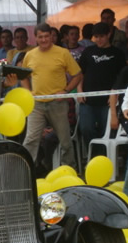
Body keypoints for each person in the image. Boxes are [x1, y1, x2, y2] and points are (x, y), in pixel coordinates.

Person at [21, 23, 82, 168]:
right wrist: (28, 91)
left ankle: (69, 170)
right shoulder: (29, 55)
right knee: (30, 140)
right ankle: (25, 171)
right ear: (35, 38)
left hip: (58, 103)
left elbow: (77, 75)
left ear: (52, 36)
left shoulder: (63, 53)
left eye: (46, 36)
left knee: (65, 141)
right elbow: (22, 76)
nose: (44, 40)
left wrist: (66, 91)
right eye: (40, 37)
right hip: (36, 105)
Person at [77, 22, 126, 150]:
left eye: (102, 36)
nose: (99, 40)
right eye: (96, 37)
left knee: (107, 131)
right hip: (88, 99)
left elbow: (121, 77)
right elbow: (80, 73)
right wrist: (79, 90)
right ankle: (93, 154)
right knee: (86, 128)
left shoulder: (117, 53)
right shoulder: (88, 51)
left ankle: (105, 157)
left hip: (108, 101)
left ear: (109, 34)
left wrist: (114, 94)